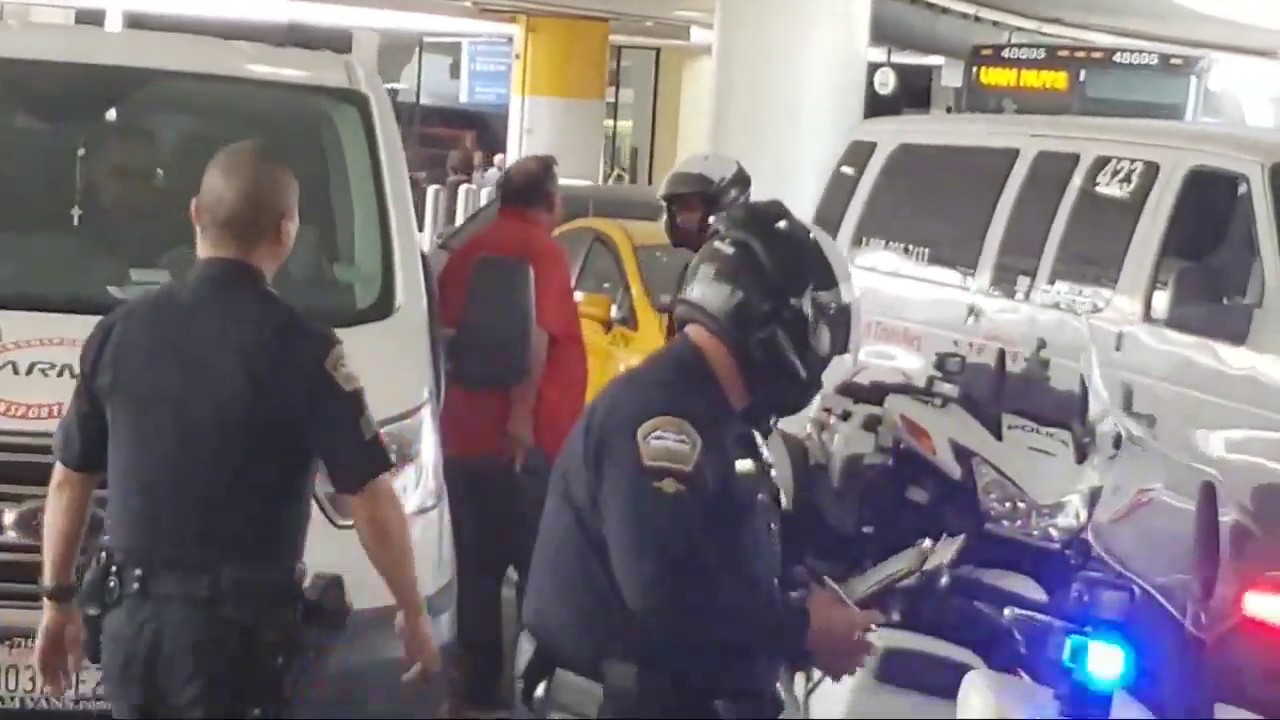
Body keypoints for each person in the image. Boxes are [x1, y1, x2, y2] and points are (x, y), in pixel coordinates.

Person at [34, 139, 441, 718]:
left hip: (132, 635)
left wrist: (57, 601)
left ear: (195, 214)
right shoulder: (303, 349)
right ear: (287, 231)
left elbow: (69, 480)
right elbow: (370, 499)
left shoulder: (120, 332)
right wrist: (412, 610)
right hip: (235, 647)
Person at [518, 199, 882, 718]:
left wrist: (810, 587)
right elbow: (668, 601)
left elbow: (723, 557)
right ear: (771, 323)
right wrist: (802, 629)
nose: (819, 359)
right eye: (817, 334)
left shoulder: (719, 418)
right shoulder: (662, 420)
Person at [437, 153, 586, 716]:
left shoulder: (467, 253)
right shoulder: (542, 253)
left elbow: (444, 337)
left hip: (464, 439)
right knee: (537, 572)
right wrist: (521, 418)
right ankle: (529, 691)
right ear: (549, 200)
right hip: (523, 445)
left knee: (476, 574)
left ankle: (478, 692)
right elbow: (535, 339)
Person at [658, 153, 752, 252]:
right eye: (675, 208)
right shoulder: (668, 256)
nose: (679, 220)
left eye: (688, 207)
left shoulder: (747, 257)